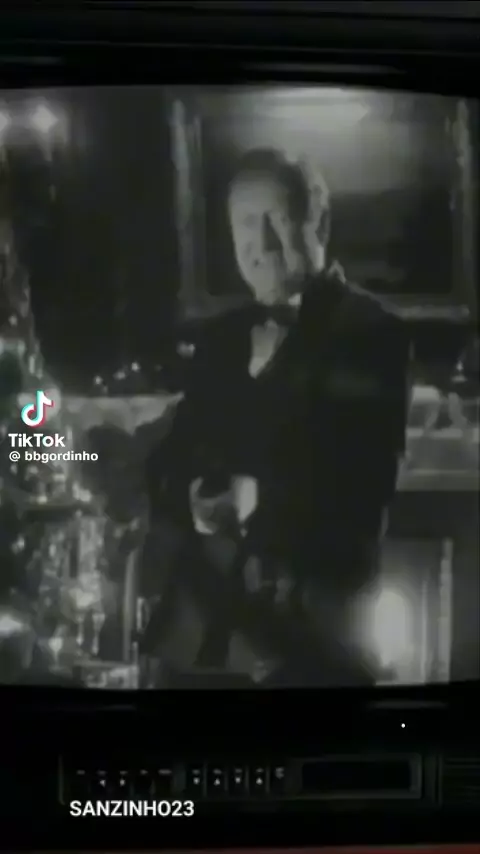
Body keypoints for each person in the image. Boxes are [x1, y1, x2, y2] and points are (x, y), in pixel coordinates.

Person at [140, 147, 409, 687]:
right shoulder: (219, 340)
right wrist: (185, 494)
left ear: (320, 223)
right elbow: (171, 462)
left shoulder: (373, 333)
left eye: (276, 220)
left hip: (315, 642)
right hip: (199, 643)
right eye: (244, 223)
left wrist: (252, 497)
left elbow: (365, 487)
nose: (259, 243)